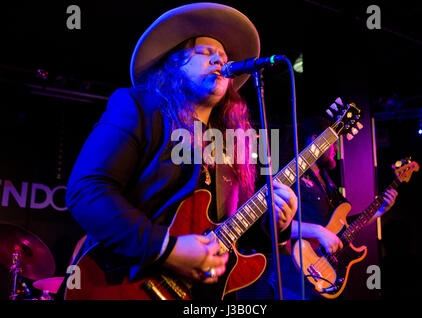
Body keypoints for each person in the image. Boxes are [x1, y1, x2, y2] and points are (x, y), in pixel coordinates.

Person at [62, 3, 297, 300]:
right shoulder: (138, 107)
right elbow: (86, 190)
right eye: (203, 52)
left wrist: (276, 225)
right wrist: (166, 248)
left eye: (224, 56)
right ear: (173, 65)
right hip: (124, 283)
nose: (218, 60)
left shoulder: (234, 143)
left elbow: (235, 241)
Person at [237, 116, 398, 300]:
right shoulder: (290, 175)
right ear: (317, 141)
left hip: (323, 273)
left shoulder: (328, 182)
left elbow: (344, 227)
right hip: (294, 273)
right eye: (333, 144)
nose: (336, 149)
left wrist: (378, 211)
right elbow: (271, 222)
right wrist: (318, 231)